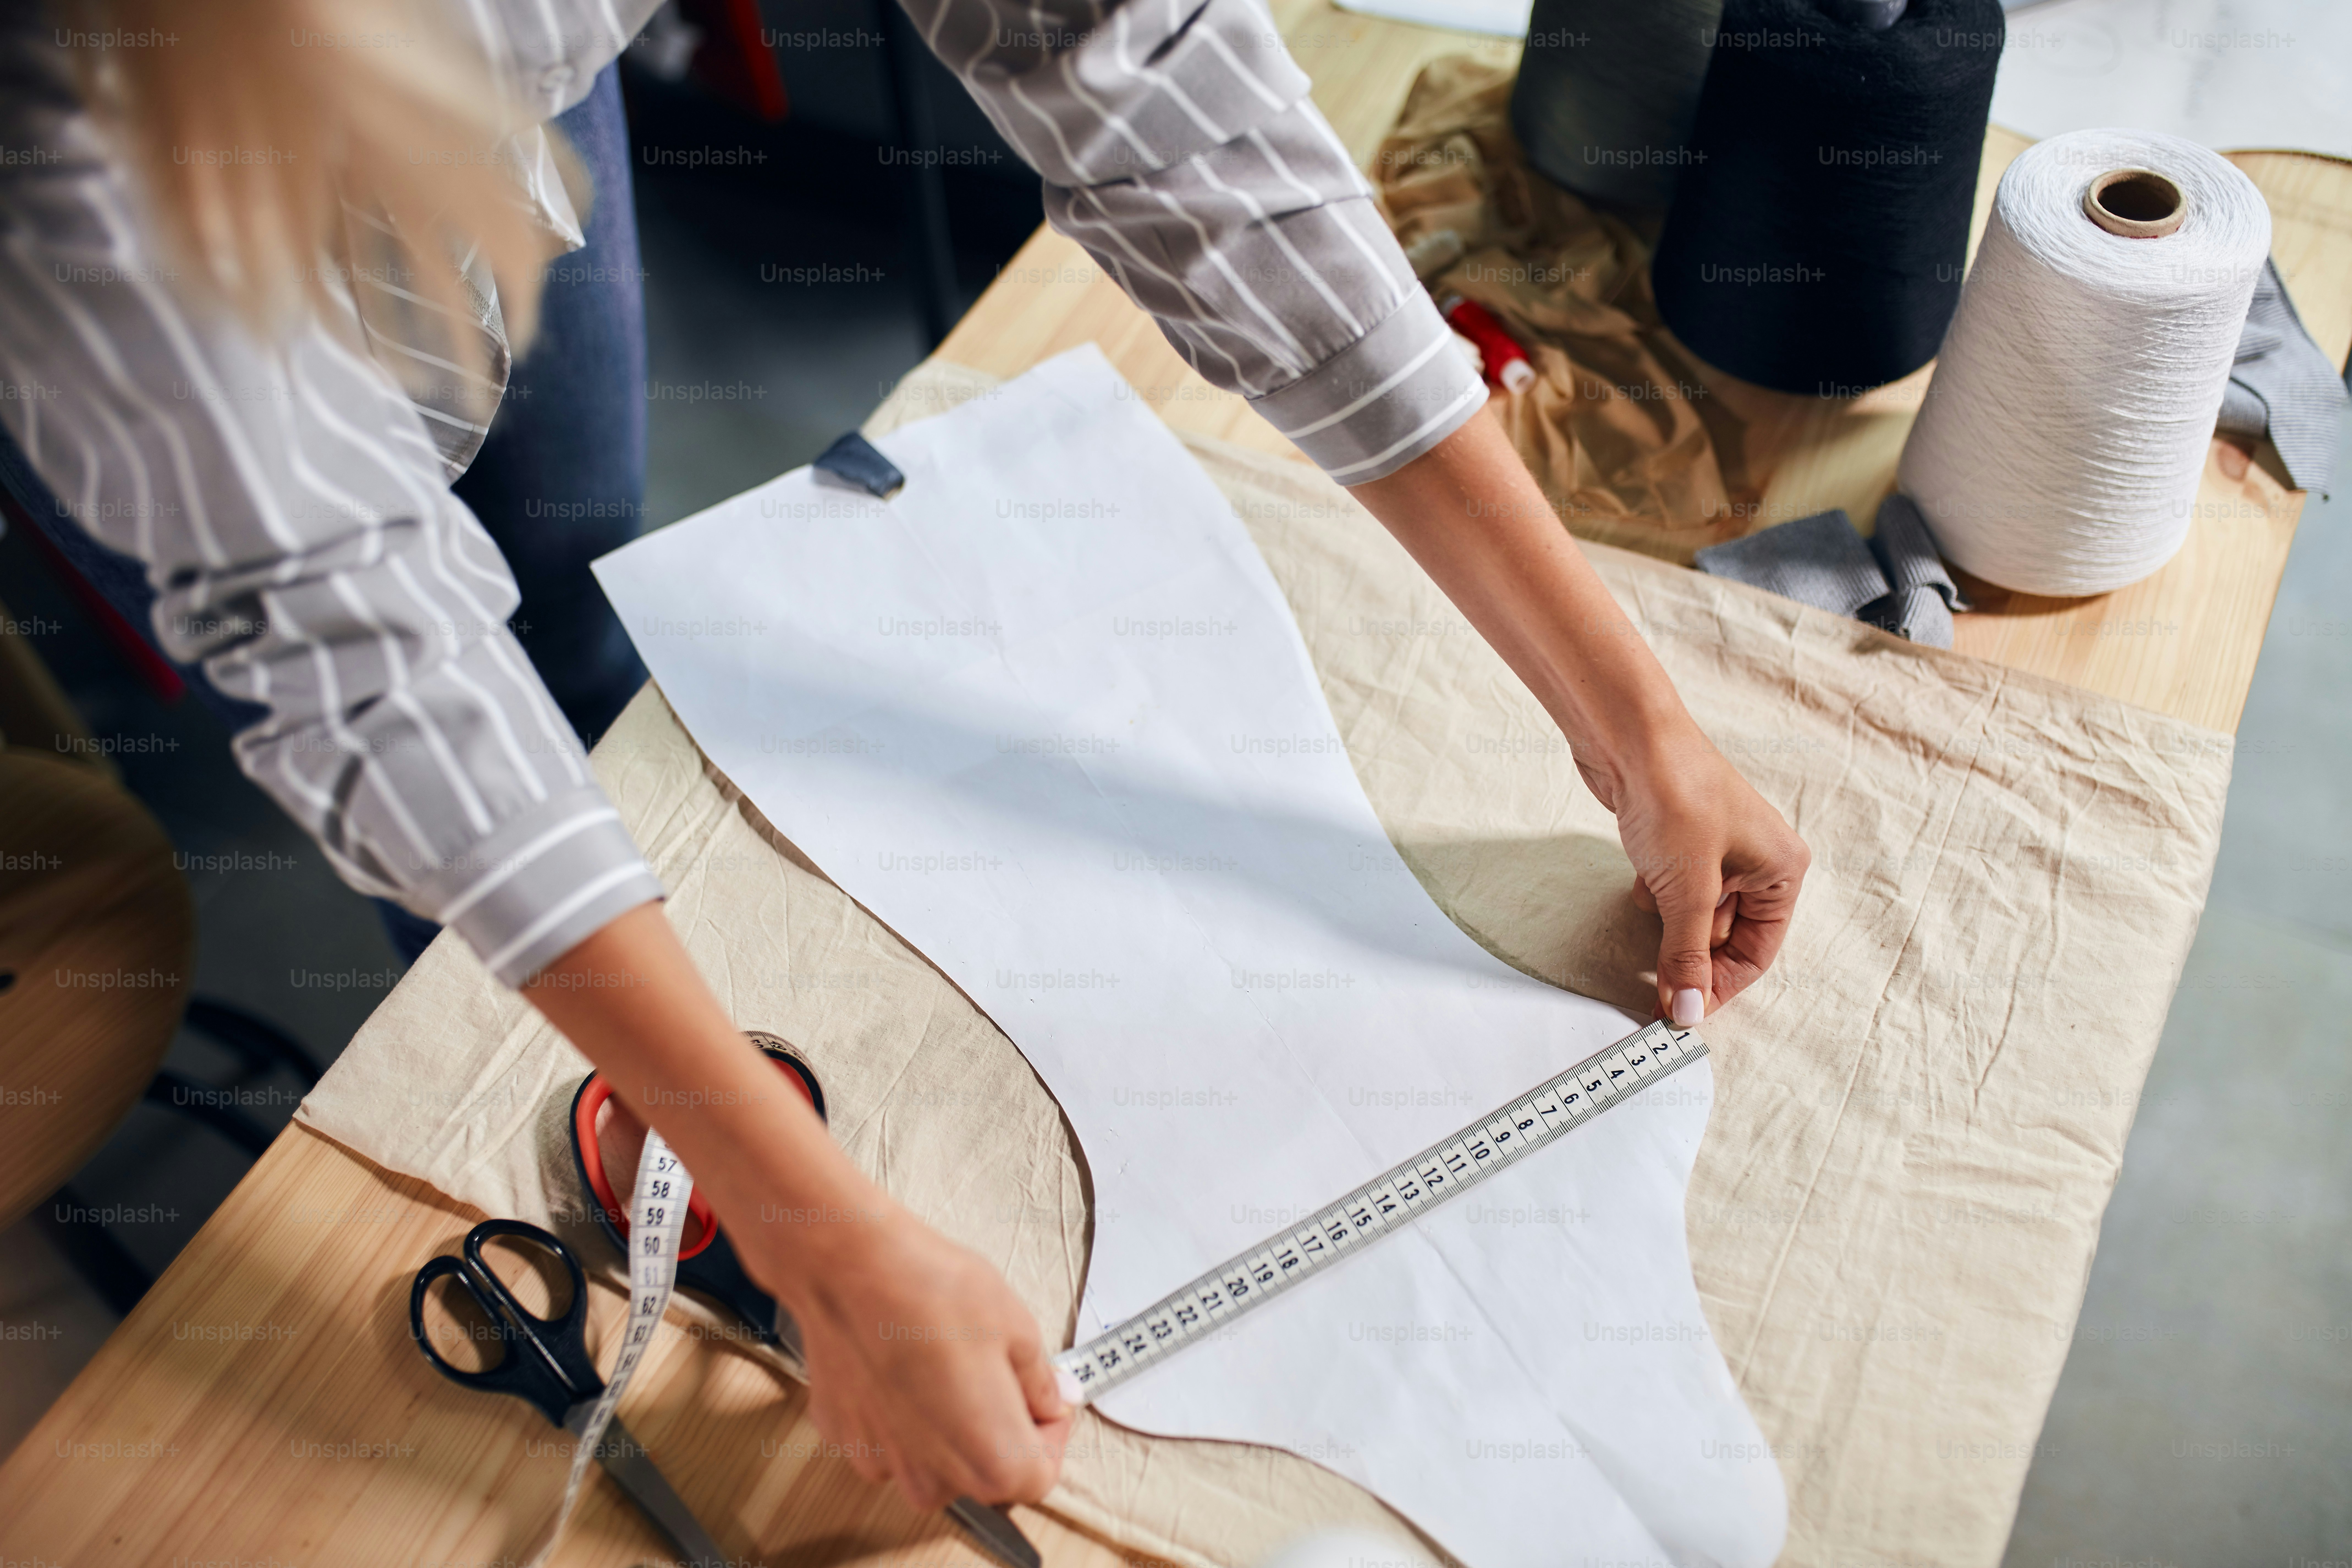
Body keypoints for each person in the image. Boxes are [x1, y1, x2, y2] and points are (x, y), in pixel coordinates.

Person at [0, 0, 1808, 1516]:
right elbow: (361, 649)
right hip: (178, 163)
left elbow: (1145, 81)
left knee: (576, 621)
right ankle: (562, 1079)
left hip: (491, 82)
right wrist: (821, 1243)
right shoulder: (78, 126)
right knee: (492, 761)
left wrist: (1627, 716)